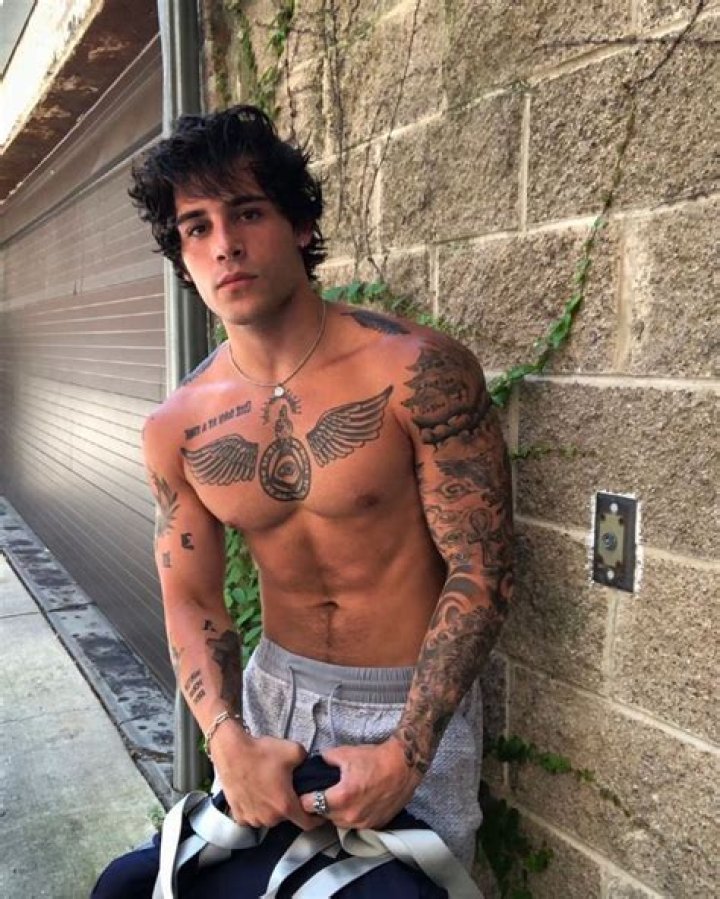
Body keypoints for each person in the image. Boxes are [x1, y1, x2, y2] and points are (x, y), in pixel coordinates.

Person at [128, 105, 512, 879]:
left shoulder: (416, 370)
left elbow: (483, 567)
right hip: (273, 705)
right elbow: (191, 598)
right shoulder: (179, 425)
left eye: (247, 212)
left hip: (411, 703)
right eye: (197, 227)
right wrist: (227, 742)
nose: (224, 244)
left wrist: (408, 752)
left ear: (301, 224)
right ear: (183, 257)